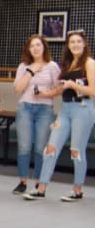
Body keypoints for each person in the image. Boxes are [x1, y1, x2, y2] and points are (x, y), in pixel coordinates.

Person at [24, 30, 95, 202]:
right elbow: (60, 89)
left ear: (84, 44)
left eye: (78, 41)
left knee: (76, 151)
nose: (75, 45)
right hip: (66, 109)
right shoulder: (68, 64)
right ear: (68, 46)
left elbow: (93, 90)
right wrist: (43, 94)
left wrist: (73, 85)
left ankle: (77, 190)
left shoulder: (89, 63)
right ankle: (41, 188)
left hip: (83, 109)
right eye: (72, 42)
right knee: (51, 147)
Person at [11, 35, 60, 194]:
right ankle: (23, 181)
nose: (36, 48)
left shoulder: (52, 66)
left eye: (38, 45)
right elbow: (18, 89)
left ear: (44, 47)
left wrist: (45, 94)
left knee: (40, 148)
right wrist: (31, 70)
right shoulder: (23, 66)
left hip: (44, 110)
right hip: (25, 108)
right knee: (24, 146)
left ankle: (39, 183)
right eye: (32, 46)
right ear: (28, 49)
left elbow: (59, 88)